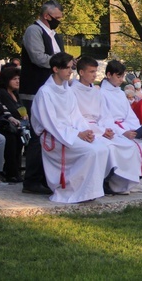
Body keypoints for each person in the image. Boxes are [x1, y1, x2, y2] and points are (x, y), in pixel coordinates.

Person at [31, 53, 112, 203]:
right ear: (55, 69)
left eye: (71, 68)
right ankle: (70, 190)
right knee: (91, 151)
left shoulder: (66, 90)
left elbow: (75, 115)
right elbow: (51, 123)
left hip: (71, 133)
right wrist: (77, 134)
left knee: (102, 148)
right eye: (67, 68)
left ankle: (88, 191)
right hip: (55, 137)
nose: (70, 71)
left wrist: (86, 132)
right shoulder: (45, 92)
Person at [71, 57, 142, 195]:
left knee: (128, 145)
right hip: (84, 129)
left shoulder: (95, 92)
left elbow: (105, 116)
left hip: (100, 128)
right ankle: (105, 182)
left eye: (95, 71)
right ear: (81, 72)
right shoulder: (72, 91)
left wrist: (107, 130)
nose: (95, 75)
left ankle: (122, 183)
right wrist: (100, 131)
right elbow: (76, 117)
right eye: (91, 72)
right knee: (109, 147)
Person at [20, 0, 65, 195]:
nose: (59, 21)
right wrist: (62, 63)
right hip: (35, 91)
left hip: (54, 91)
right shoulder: (34, 31)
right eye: (57, 18)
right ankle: (31, 179)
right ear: (47, 16)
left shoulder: (56, 36)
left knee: (53, 133)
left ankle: (47, 177)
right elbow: (38, 57)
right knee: (38, 135)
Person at [100, 60, 142, 193]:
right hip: (114, 130)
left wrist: (139, 131)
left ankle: (138, 180)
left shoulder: (119, 93)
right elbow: (104, 118)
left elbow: (130, 115)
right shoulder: (101, 93)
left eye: (122, 76)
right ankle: (120, 184)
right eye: (118, 76)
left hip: (127, 127)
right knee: (130, 147)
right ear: (108, 74)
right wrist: (123, 132)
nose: (121, 80)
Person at [0, 66, 28, 182]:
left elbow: (21, 107)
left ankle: (15, 171)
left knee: (20, 140)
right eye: (14, 79)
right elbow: (11, 110)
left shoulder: (15, 93)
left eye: (18, 78)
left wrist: (24, 115)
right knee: (12, 140)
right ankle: (11, 172)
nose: (18, 81)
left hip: (17, 124)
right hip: (3, 124)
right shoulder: (1, 92)